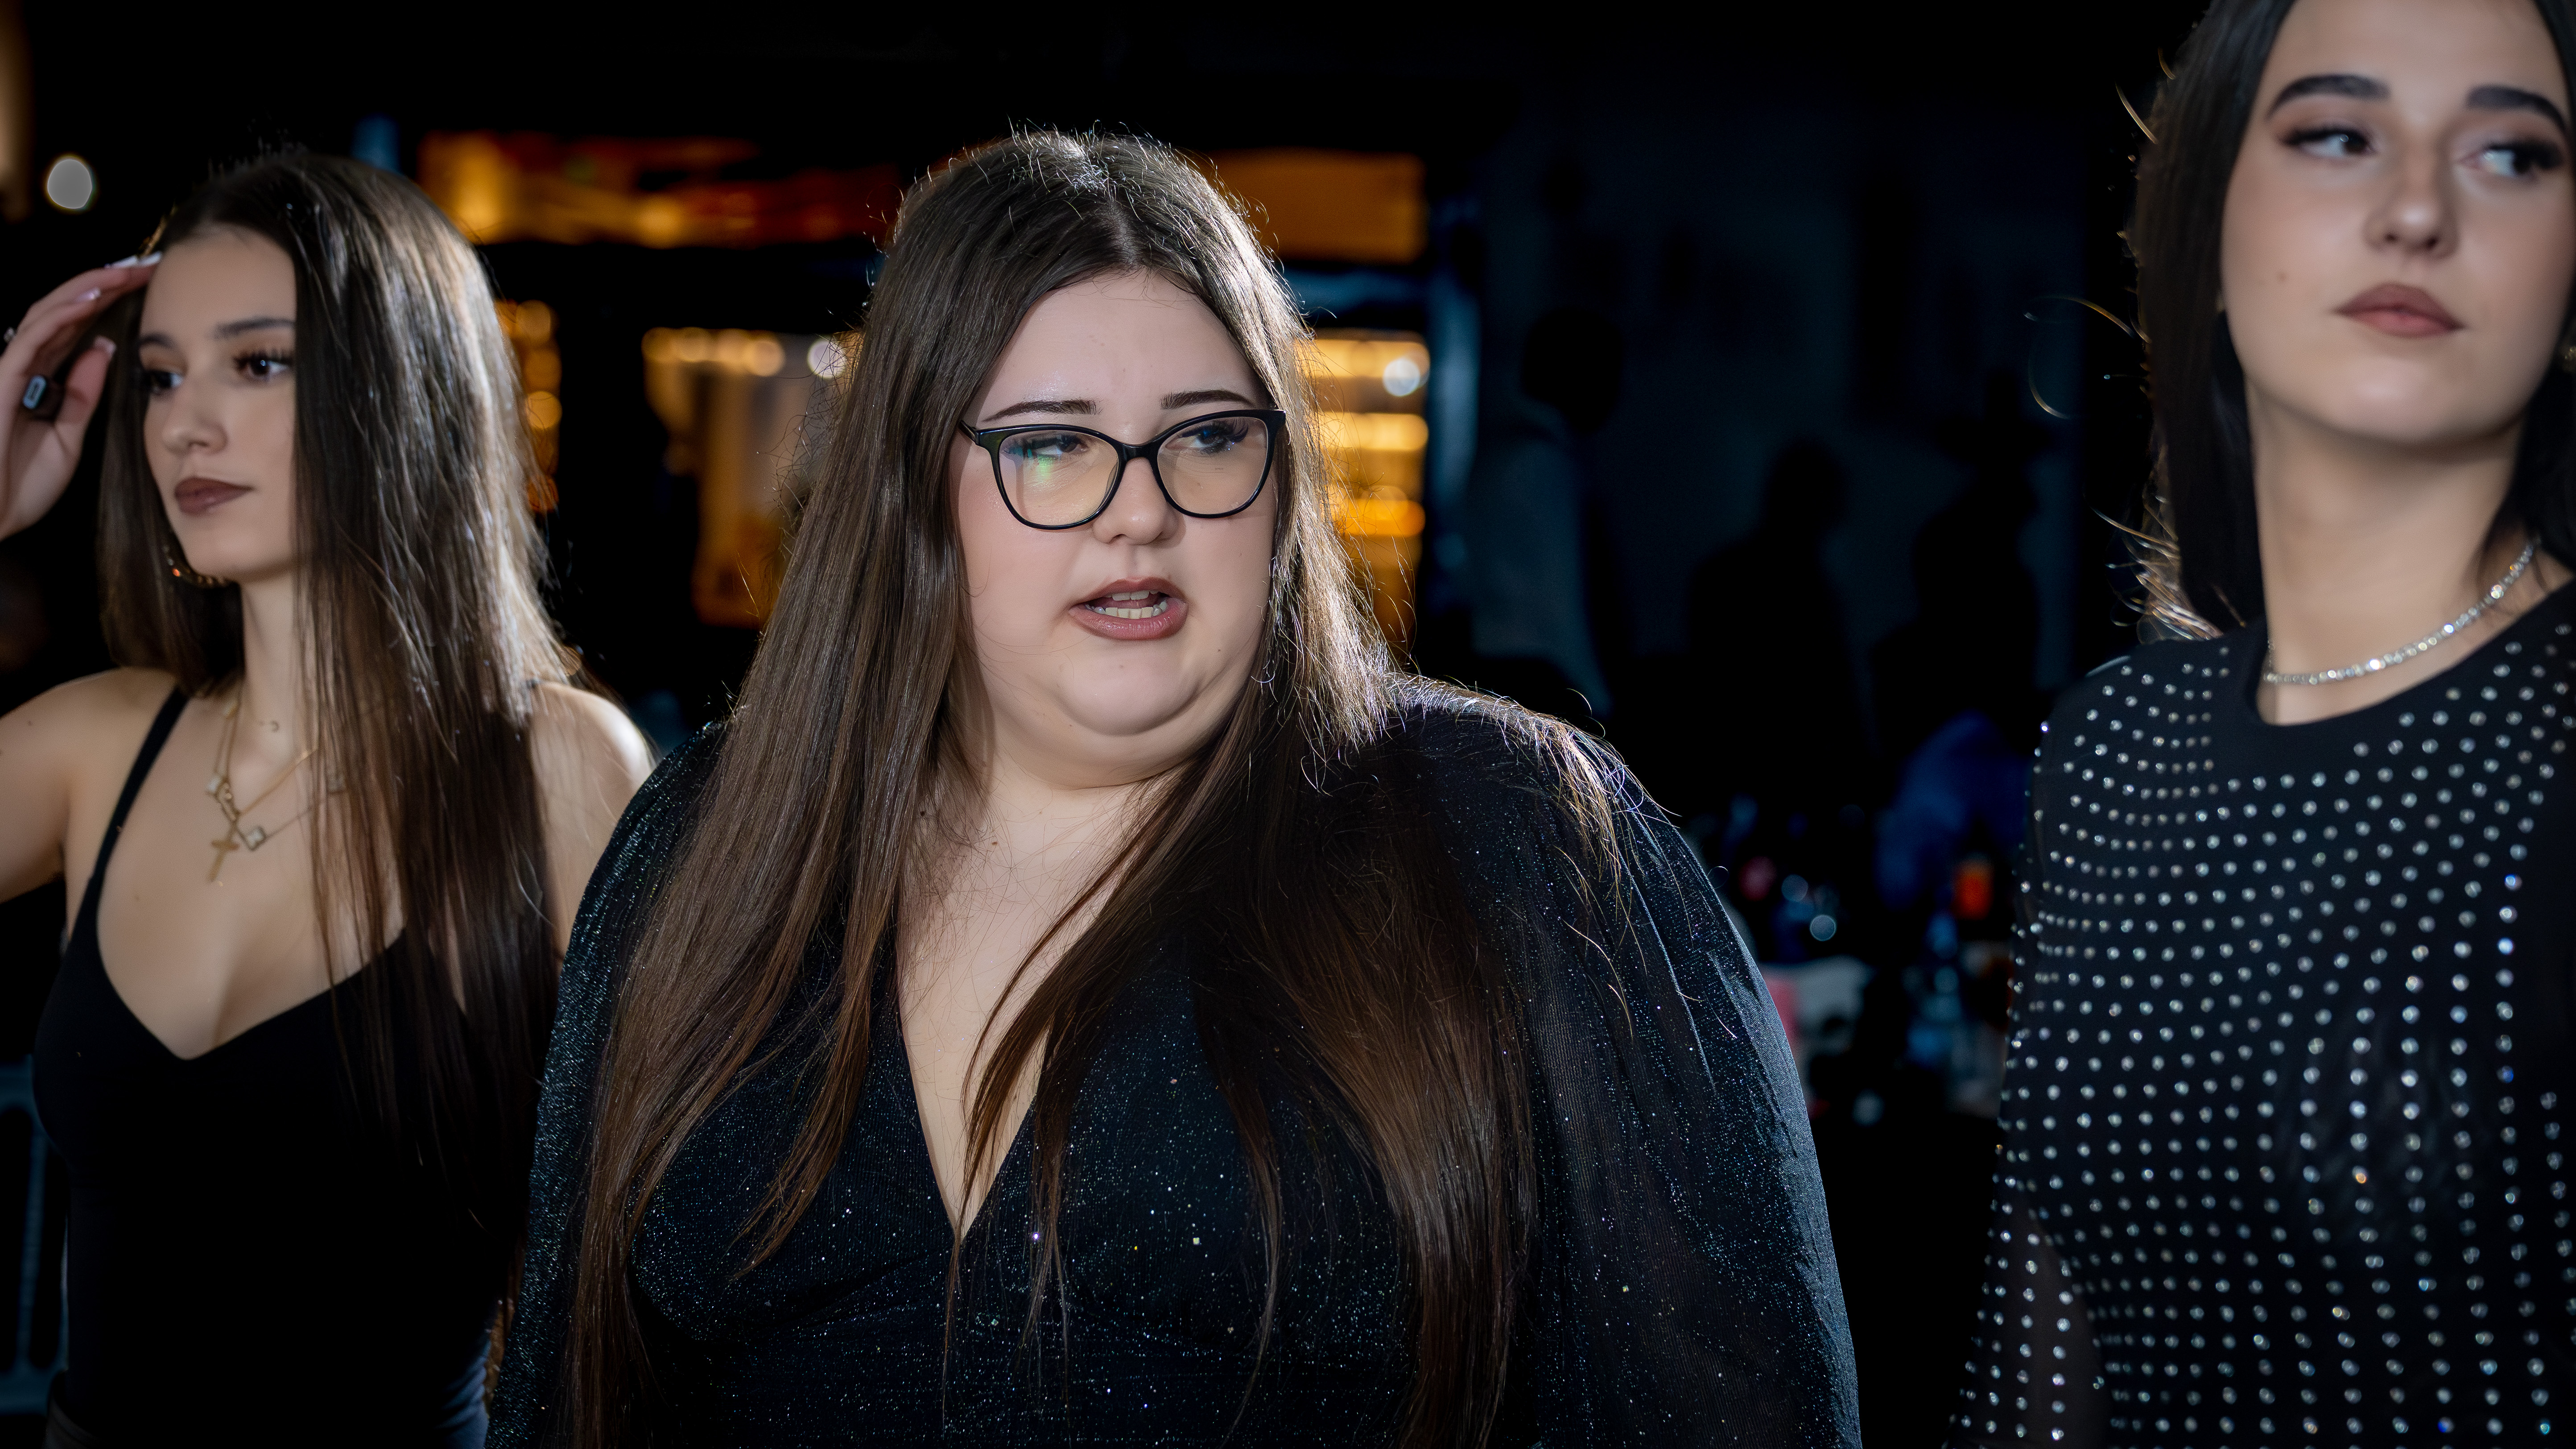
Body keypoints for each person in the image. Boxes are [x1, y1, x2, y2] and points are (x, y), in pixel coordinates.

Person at [493, 131, 1857, 1447]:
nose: (1138, 509)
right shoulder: (705, 844)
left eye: (1206, 438)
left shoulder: (1516, 842)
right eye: (1052, 444)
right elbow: (572, 1391)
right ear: (912, 491)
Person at [1957, 0, 2576, 1444]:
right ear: (2211, 227)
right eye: (2340, 135)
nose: (2417, 210)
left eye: (2510, 155)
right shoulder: (2115, 750)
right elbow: (2031, 1381)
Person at [0, 154, 652, 1445]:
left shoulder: (557, 769)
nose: (186, 426)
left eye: (257, 363)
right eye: (161, 376)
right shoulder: (96, 746)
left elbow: (681, 1239)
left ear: (400, 388)